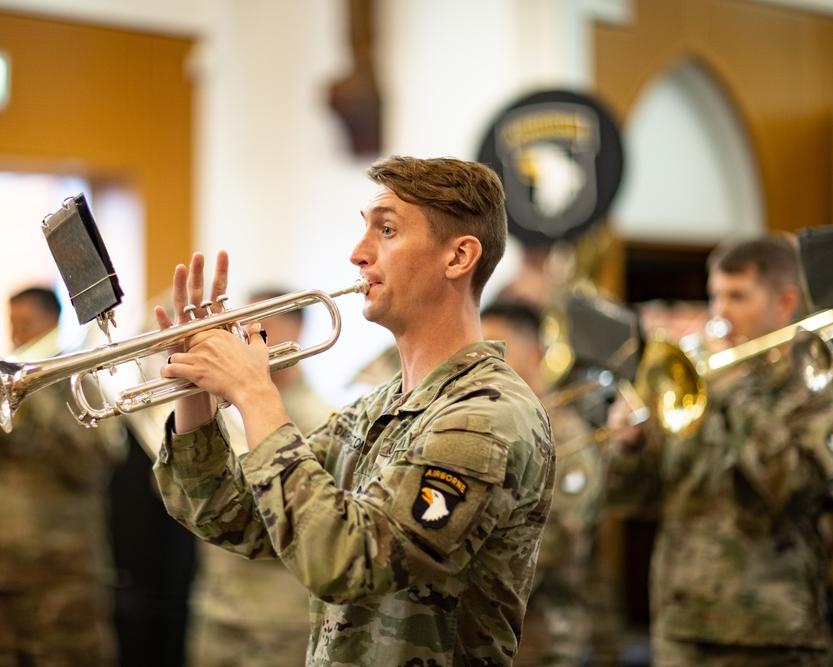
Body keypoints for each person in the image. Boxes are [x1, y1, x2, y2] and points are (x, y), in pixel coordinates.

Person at [153, 155, 556, 665]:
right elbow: (233, 517)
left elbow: (347, 560)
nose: (357, 254)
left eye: (386, 230)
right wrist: (196, 387)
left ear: (458, 257)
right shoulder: (375, 409)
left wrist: (255, 393)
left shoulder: (488, 415)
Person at [604, 233, 833, 666]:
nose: (720, 313)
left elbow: (789, 488)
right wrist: (629, 447)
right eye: (715, 296)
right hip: (681, 627)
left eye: (738, 296)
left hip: (770, 634)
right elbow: (634, 499)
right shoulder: (694, 381)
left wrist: (735, 391)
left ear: (784, 302)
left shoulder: (813, 386)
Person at [0, 286, 123, 666]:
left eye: (27, 324)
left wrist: (37, 401)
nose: (18, 335)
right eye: (13, 325)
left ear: (52, 323)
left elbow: (93, 469)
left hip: (65, 580)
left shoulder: (78, 383)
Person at [185, 288, 334, 667]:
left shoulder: (320, 417)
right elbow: (194, 500)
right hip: (216, 605)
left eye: (262, 326)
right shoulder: (230, 406)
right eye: (244, 325)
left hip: (276, 617)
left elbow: (304, 522)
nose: (247, 337)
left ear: (296, 329)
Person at [480, 299, 604, 666]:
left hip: (542, 637)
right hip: (484, 632)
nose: (484, 362)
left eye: (498, 349)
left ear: (535, 353)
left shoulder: (563, 434)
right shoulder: (492, 421)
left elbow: (555, 541)